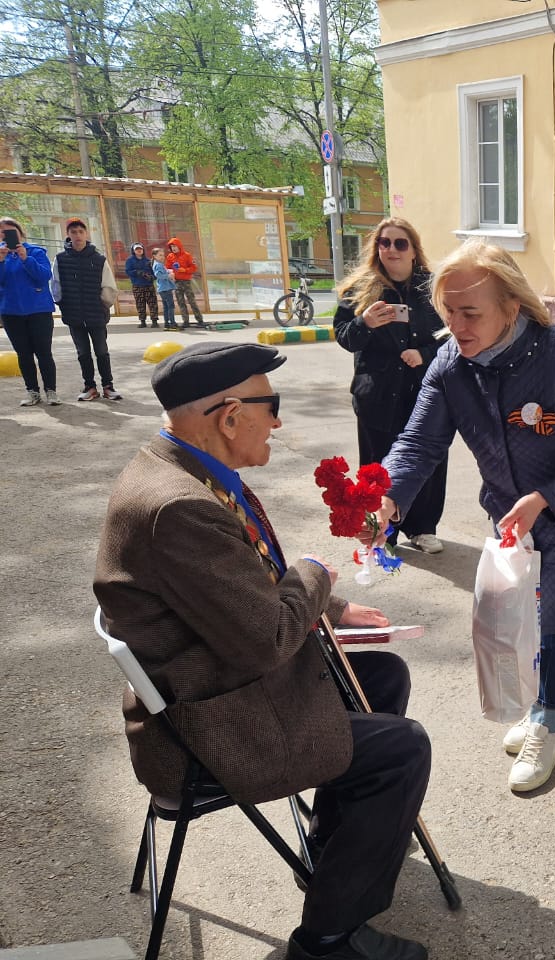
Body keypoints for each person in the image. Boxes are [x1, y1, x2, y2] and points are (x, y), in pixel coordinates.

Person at [94, 341, 431, 960]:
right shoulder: (179, 506)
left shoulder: (185, 472)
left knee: (380, 676)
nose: (278, 421)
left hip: (210, 681)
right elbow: (268, 640)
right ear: (229, 416)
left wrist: (326, 609)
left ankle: (339, 851)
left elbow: (243, 583)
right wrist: (317, 573)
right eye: (270, 406)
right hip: (201, 726)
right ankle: (327, 940)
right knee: (401, 749)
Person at [378, 240, 555, 793]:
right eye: (448, 312)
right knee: (524, 617)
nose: (457, 325)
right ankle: (545, 705)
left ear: (511, 307)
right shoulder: (450, 362)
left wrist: (545, 499)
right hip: (512, 517)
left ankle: (552, 723)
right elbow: (419, 443)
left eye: (471, 312)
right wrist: (388, 497)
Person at [333, 218, 449, 555]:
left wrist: (424, 354)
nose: (392, 250)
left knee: (428, 461)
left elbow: (452, 334)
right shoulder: (360, 288)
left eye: (400, 243)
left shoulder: (433, 288)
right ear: (376, 248)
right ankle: (381, 531)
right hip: (377, 394)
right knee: (377, 465)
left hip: (424, 391)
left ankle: (423, 527)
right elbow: (345, 338)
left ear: (414, 250)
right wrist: (364, 322)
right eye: (385, 243)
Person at [51, 217, 121, 402]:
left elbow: (109, 286)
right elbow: (55, 285)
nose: (78, 235)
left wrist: (103, 305)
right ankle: (89, 386)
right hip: (74, 316)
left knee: (102, 352)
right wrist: (63, 304)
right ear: (68, 235)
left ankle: (108, 386)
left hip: (96, 315)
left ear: (86, 233)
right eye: (73, 232)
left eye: (81, 231)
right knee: (83, 353)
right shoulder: (60, 259)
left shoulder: (99, 259)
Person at [0, 216, 59, 406]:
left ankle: (51, 391)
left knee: (44, 353)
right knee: (23, 354)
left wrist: (26, 258)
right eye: (1, 232)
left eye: (10, 231)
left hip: (38, 311)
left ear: (19, 232)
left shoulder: (35, 251)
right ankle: (32, 391)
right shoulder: (0, 256)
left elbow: (44, 276)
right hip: (11, 312)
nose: (5, 235)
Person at [164, 237, 206, 329]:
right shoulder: (170, 257)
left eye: (175, 246)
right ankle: (185, 321)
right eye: (171, 247)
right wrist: (171, 274)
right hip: (176, 282)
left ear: (179, 246)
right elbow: (167, 268)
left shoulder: (187, 255)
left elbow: (194, 268)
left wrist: (185, 270)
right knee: (181, 302)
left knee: (192, 301)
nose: (173, 248)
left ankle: (200, 320)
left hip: (186, 281)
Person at [125, 242, 159, 329]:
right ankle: (142, 321)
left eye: (140, 249)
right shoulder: (130, 261)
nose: (139, 250)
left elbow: (155, 272)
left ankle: (154, 321)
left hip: (148, 285)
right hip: (137, 285)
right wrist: (136, 272)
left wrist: (152, 277)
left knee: (152, 303)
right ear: (133, 250)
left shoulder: (149, 261)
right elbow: (128, 272)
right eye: (137, 249)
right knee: (140, 303)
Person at [151, 246, 177, 329]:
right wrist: (169, 275)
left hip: (163, 288)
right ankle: (172, 323)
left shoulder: (159, 264)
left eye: (163, 255)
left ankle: (167, 323)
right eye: (160, 255)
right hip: (165, 288)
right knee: (170, 306)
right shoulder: (158, 265)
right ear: (154, 256)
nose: (162, 257)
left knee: (166, 306)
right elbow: (158, 275)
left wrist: (169, 271)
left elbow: (162, 272)